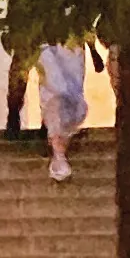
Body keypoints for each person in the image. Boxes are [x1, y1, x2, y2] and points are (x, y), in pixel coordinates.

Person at [39, 33, 92, 181]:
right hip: (54, 39)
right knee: (57, 96)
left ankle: (59, 155)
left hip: (69, 40)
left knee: (63, 96)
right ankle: (59, 156)